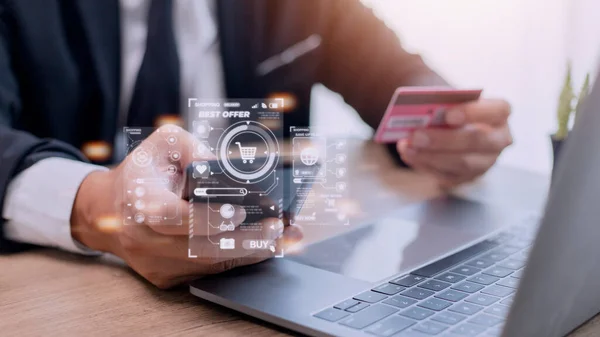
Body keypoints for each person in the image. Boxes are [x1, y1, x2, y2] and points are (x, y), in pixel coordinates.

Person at [0, 0, 512, 288]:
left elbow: (395, 74)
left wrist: (448, 128)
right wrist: (92, 205)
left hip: (269, 278)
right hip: (66, 287)